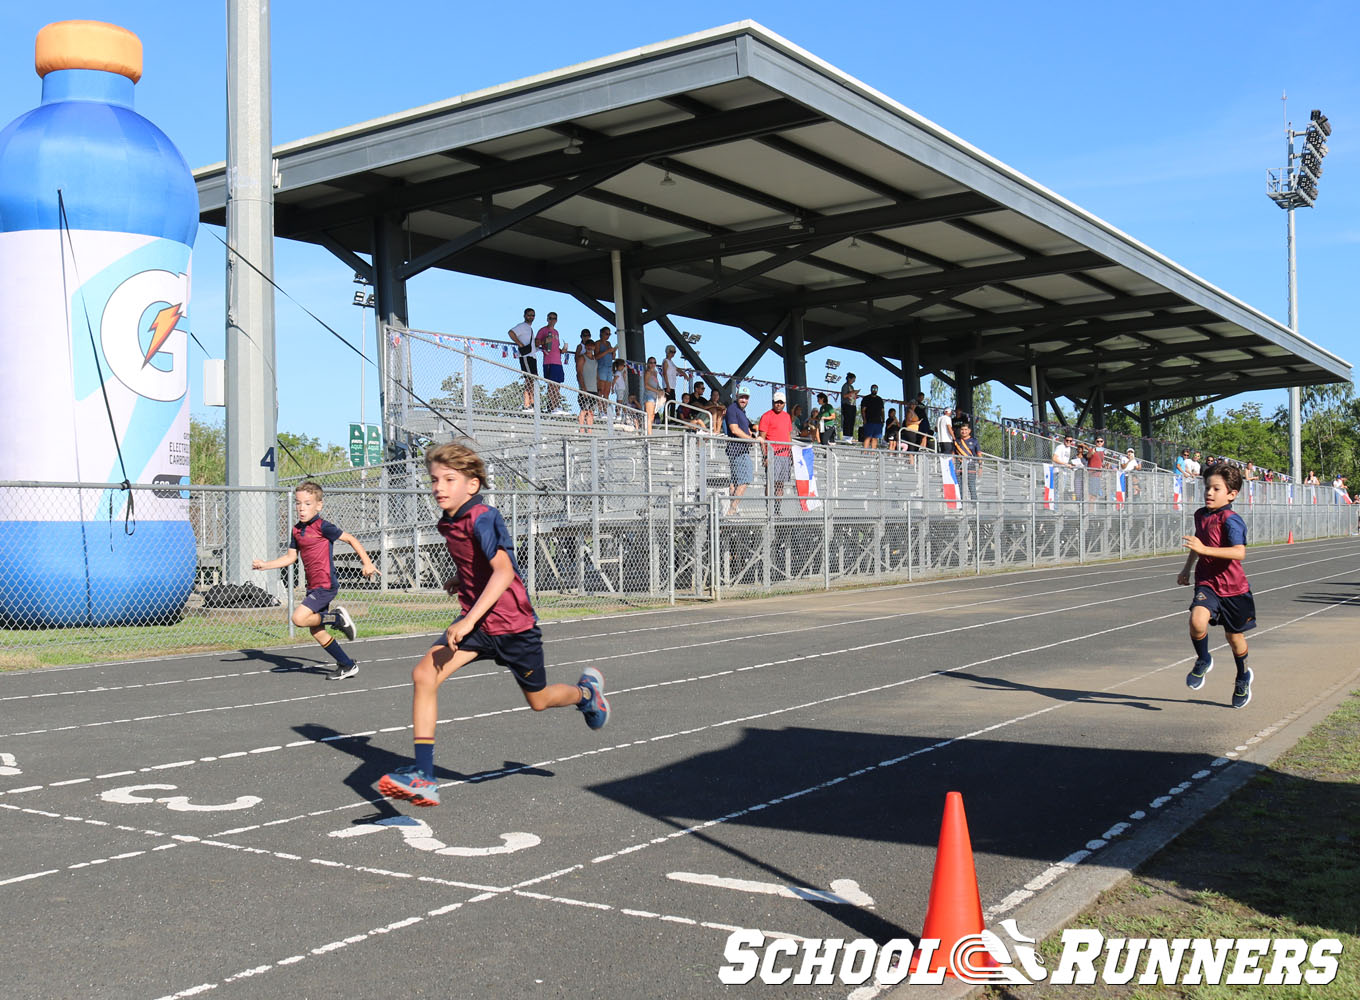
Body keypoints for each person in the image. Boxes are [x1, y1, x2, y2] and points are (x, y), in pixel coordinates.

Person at [377, 443, 609, 808]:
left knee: (539, 700)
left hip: (514, 628)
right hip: (478, 626)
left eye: (449, 479)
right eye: (434, 479)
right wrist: (461, 579)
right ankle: (424, 777)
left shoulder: (483, 516)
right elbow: (479, 564)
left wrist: (468, 618)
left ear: (472, 485)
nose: (439, 486)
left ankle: (586, 695)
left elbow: (503, 571)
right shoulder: (447, 521)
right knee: (424, 675)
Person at [251, 481, 379, 681]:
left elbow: (351, 539)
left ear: (319, 505)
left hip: (326, 585)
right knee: (317, 631)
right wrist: (265, 565)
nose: (302, 508)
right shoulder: (296, 530)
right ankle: (347, 664)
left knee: (298, 619)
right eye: (298, 503)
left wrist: (368, 563)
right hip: (314, 587)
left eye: (308, 503)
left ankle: (337, 618)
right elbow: (290, 558)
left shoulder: (323, 526)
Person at [1178, 462, 1255, 709]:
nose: (1209, 492)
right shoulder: (1200, 514)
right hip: (1207, 582)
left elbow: (1239, 552)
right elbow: (1198, 543)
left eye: (1216, 488)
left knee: (1234, 638)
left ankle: (1243, 677)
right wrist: (1187, 567)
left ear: (1231, 494)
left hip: (1233, 588)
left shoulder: (1231, 520)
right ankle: (1203, 659)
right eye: (1207, 487)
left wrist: (1203, 549)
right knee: (1196, 620)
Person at [724, 388, 755, 515]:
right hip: (737, 449)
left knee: (735, 482)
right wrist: (752, 440)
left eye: (746, 397)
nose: (744, 400)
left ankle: (730, 509)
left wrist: (753, 433)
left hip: (741, 449)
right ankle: (732, 509)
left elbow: (749, 427)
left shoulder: (742, 412)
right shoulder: (732, 409)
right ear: (737, 396)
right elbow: (734, 429)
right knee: (745, 478)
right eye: (742, 397)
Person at [758, 390, 794, 499]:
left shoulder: (787, 416)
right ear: (773, 402)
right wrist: (765, 456)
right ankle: (769, 508)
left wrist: (790, 452)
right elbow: (762, 439)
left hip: (785, 455)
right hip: (772, 454)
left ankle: (777, 510)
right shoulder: (766, 416)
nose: (778, 404)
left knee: (780, 485)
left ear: (784, 404)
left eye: (781, 402)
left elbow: (788, 435)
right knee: (770, 483)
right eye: (776, 402)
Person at [535, 311, 567, 414]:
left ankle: (557, 404)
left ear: (556, 320)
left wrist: (562, 350)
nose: (552, 320)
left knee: (558, 385)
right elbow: (536, 343)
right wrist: (545, 341)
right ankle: (553, 406)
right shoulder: (543, 330)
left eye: (554, 318)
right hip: (549, 361)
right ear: (547, 319)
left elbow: (555, 347)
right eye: (550, 318)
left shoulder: (556, 332)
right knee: (552, 384)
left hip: (558, 361)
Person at [508, 307, 537, 411]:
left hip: (532, 356)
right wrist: (519, 343)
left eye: (533, 315)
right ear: (524, 315)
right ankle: (528, 404)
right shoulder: (522, 326)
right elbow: (511, 332)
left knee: (532, 380)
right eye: (529, 315)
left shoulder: (530, 328)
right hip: (526, 356)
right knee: (529, 379)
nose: (531, 317)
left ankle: (531, 403)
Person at [953, 423, 982, 499]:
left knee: (972, 487)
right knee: (959, 488)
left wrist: (980, 466)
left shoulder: (974, 441)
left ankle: (974, 507)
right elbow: (953, 454)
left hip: (971, 466)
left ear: (969, 431)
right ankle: (961, 506)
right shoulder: (956, 441)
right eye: (962, 429)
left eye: (966, 430)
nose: (964, 431)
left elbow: (979, 453)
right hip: (959, 467)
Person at [574, 329, 595, 432]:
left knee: (591, 409)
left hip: (591, 381)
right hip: (583, 376)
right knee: (584, 408)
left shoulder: (593, 357)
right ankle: (582, 429)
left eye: (588, 335)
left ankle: (589, 429)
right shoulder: (580, 347)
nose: (586, 337)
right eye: (584, 335)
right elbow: (576, 358)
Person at [593, 328, 616, 402]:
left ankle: (605, 409)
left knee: (607, 391)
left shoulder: (608, 343)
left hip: (609, 368)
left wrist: (613, 352)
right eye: (606, 334)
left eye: (609, 334)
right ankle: (600, 410)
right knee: (601, 390)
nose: (608, 336)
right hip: (602, 367)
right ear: (601, 333)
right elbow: (596, 357)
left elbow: (613, 358)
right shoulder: (597, 343)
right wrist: (607, 351)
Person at [643, 356, 664, 434]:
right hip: (649, 395)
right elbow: (646, 385)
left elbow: (656, 384)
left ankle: (648, 432)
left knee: (652, 416)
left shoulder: (655, 372)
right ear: (648, 364)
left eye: (654, 362)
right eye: (651, 362)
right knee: (649, 415)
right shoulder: (648, 372)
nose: (653, 364)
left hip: (654, 396)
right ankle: (649, 434)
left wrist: (660, 390)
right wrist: (657, 391)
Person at [860, 383, 885, 449]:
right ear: (870, 389)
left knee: (875, 438)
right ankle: (865, 452)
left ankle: (873, 453)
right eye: (873, 389)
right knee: (868, 437)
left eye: (876, 389)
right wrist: (864, 419)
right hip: (869, 421)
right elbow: (863, 410)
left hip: (878, 421)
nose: (874, 390)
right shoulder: (866, 398)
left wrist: (883, 420)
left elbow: (882, 411)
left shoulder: (880, 399)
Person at [1052, 433, 1074, 500]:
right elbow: (1054, 458)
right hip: (1058, 471)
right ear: (1064, 440)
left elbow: (1065, 461)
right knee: (1058, 492)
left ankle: (1058, 508)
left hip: (1064, 472)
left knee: (1061, 492)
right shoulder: (1060, 447)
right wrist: (1065, 464)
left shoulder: (1069, 448)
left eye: (1070, 441)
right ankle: (1056, 509)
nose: (1068, 442)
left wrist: (1070, 465)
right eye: (1067, 440)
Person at [840, 374, 859, 444]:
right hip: (847, 405)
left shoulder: (851, 386)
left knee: (852, 421)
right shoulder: (845, 386)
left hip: (852, 405)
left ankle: (850, 436)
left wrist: (855, 395)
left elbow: (852, 395)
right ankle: (846, 436)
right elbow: (844, 395)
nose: (854, 381)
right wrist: (852, 393)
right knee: (847, 421)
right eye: (853, 379)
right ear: (849, 379)